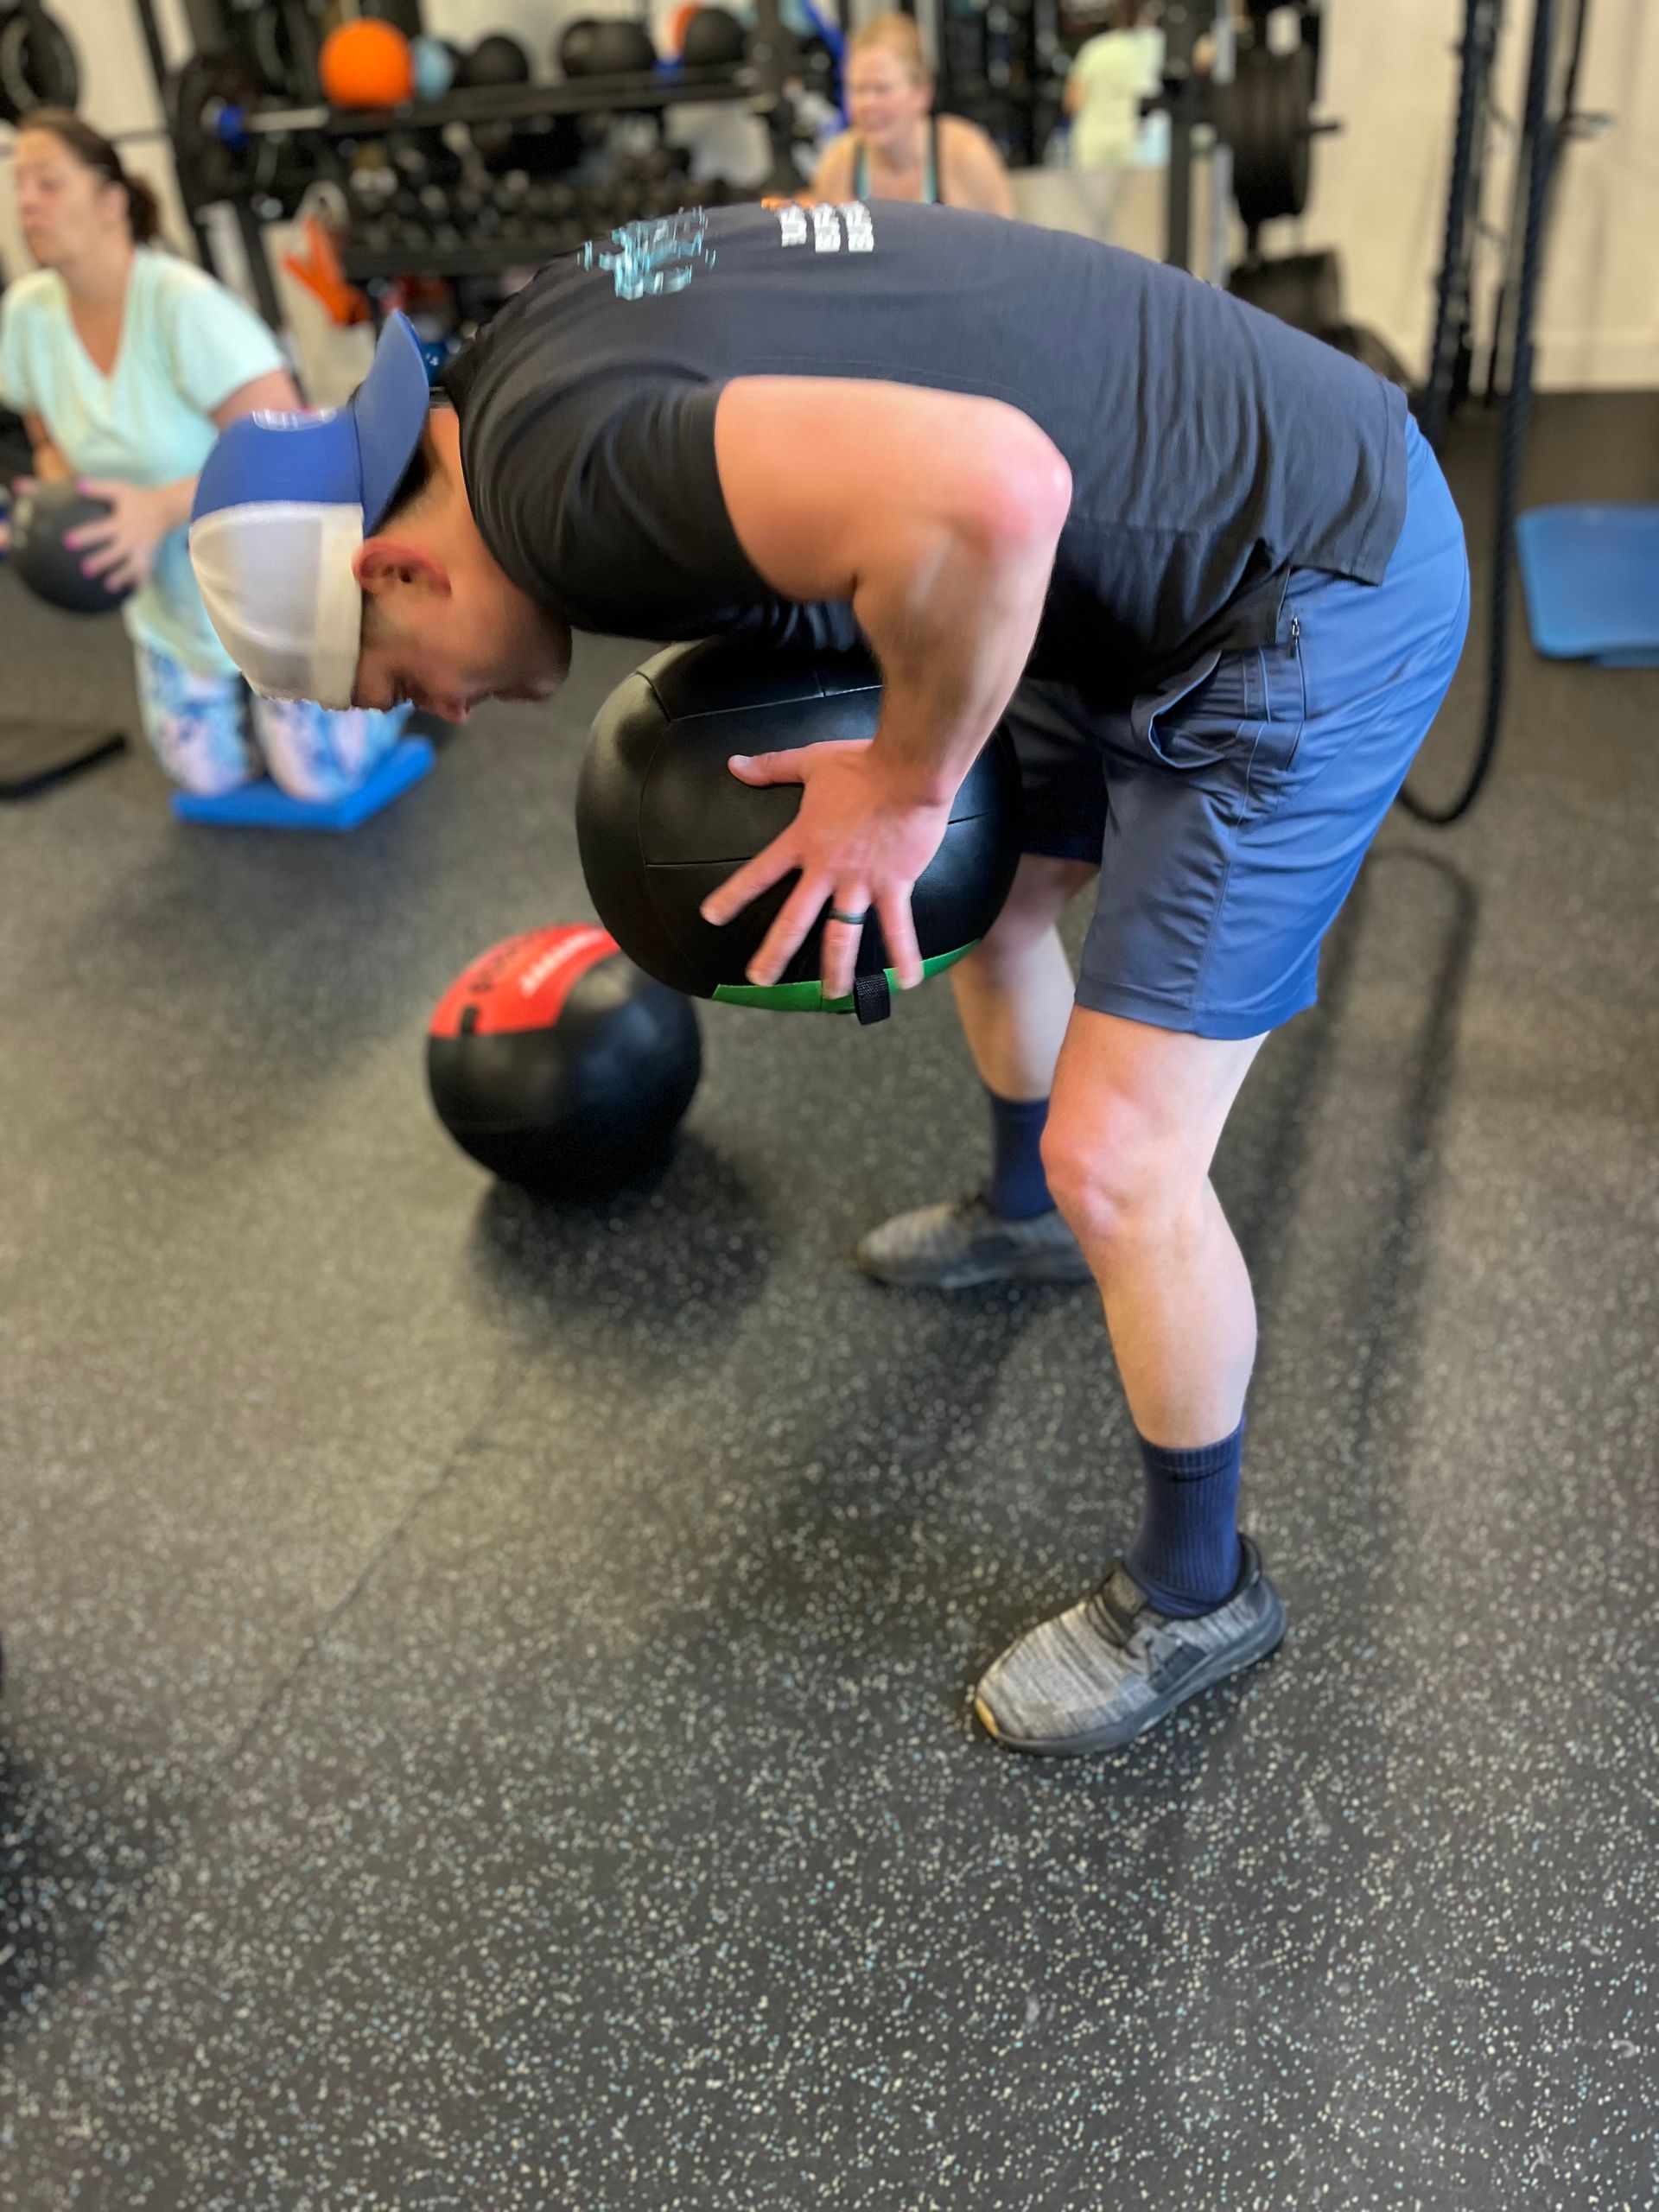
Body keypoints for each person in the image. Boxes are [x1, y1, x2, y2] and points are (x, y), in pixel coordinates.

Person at [187, 199, 1469, 1757]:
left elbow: (997, 491)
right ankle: (1023, 1216)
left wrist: (909, 788)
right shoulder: (510, 380)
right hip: (1145, 551)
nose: (437, 712)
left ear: (395, 565)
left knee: (1125, 1159)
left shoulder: (565, 492)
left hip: (1308, 576)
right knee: (1000, 901)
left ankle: (1200, 1590)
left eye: (394, 681)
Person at [0, 112, 405, 803]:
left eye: (49, 183)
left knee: (317, 781)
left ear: (111, 200)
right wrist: (57, 514)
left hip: (275, 585)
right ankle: (244, 694)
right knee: (207, 777)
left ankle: (385, 667)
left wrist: (157, 510)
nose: (27, 203)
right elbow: (47, 442)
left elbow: (290, 453)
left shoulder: (183, 307)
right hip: (171, 596)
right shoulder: (26, 313)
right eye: (19, 186)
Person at [807, 15, 1014, 217]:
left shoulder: (967, 155)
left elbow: (1007, 238)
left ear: (922, 93)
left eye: (881, 89)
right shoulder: (837, 164)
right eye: (858, 89)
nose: (867, 104)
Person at [1062, 1, 1167, 235]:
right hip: (1138, 143)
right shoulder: (1157, 45)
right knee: (1139, 219)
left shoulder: (1095, 49)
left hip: (1093, 141)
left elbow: (1072, 101)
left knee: (1094, 221)